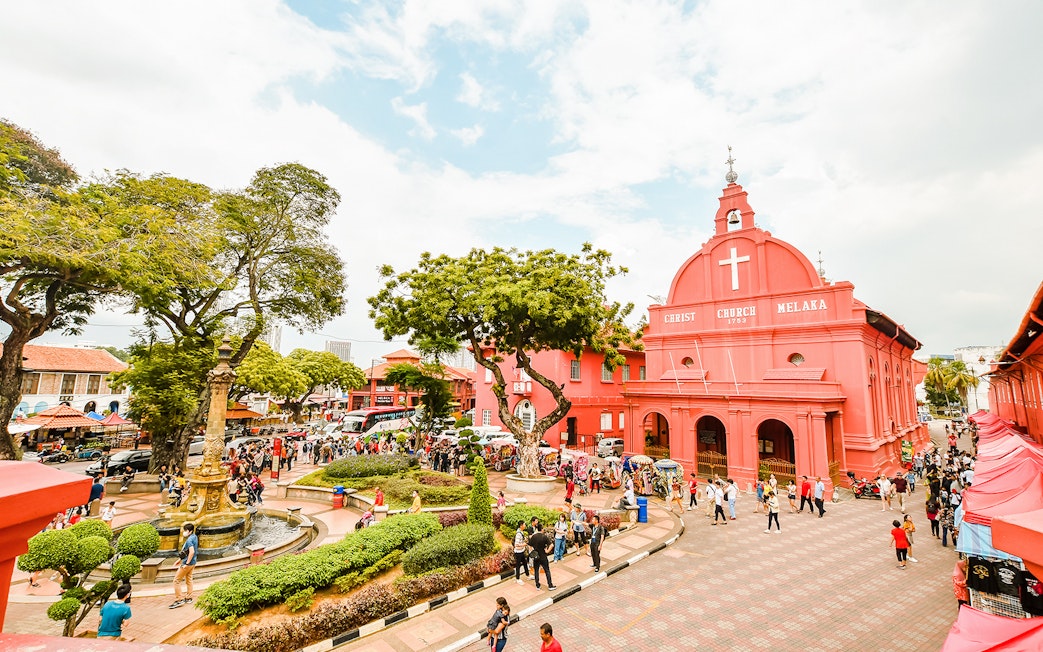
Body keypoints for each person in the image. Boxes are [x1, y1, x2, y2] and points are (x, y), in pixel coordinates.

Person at [170, 523, 198, 608]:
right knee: (189, 579)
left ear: (190, 531)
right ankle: (188, 597)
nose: (184, 532)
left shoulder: (189, 540)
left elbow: (192, 551)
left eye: (186, 530)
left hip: (188, 563)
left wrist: (186, 563)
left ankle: (179, 599)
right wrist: (179, 560)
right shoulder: (194, 537)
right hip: (193, 562)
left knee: (176, 580)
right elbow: (187, 552)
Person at [528, 525, 556, 591]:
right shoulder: (544, 537)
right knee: (547, 570)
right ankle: (550, 585)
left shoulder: (533, 537)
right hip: (543, 556)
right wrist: (547, 551)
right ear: (542, 529)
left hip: (536, 556)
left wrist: (533, 552)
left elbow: (529, 546)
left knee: (536, 571)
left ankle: (537, 585)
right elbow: (551, 545)